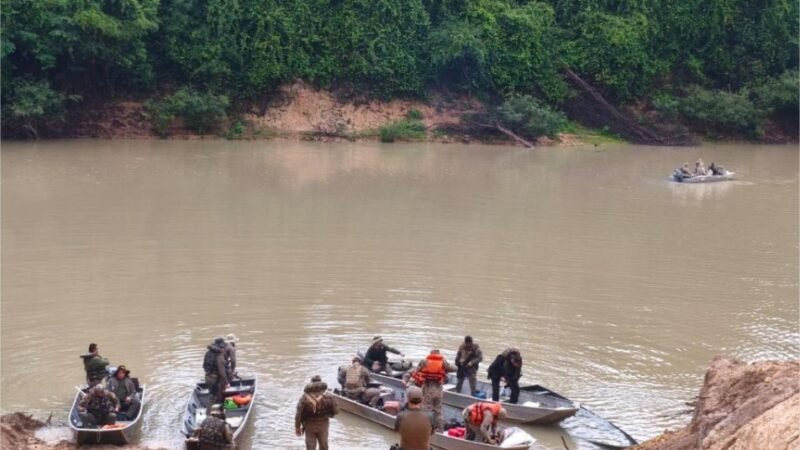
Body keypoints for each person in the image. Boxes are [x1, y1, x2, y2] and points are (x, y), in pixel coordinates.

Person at [408, 349, 456, 432]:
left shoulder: (424, 361)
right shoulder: (443, 362)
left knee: (426, 409)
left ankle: (426, 430)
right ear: (439, 354)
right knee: (438, 410)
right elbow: (454, 369)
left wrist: (409, 382)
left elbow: (416, 371)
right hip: (439, 389)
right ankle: (440, 430)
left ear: (431, 354)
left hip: (428, 388)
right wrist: (448, 367)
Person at [295, 375, 338, 450]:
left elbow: (299, 414)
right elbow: (336, 411)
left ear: (311, 383)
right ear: (321, 382)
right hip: (323, 424)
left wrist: (297, 427)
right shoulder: (329, 395)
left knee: (310, 446)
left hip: (309, 424)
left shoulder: (304, 397)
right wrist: (329, 415)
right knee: (324, 445)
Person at [393, 386, 435, 450]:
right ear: (422, 399)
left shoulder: (400, 416)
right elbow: (432, 433)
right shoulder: (430, 416)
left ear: (408, 399)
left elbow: (397, 430)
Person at [203, 337, 229, 409]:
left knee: (213, 395)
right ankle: (208, 415)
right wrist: (226, 383)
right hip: (215, 379)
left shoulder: (208, 353)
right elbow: (222, 372)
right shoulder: (219, 355)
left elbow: (204, 366)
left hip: (208, 377)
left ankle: (216, 412)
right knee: (213, 398)